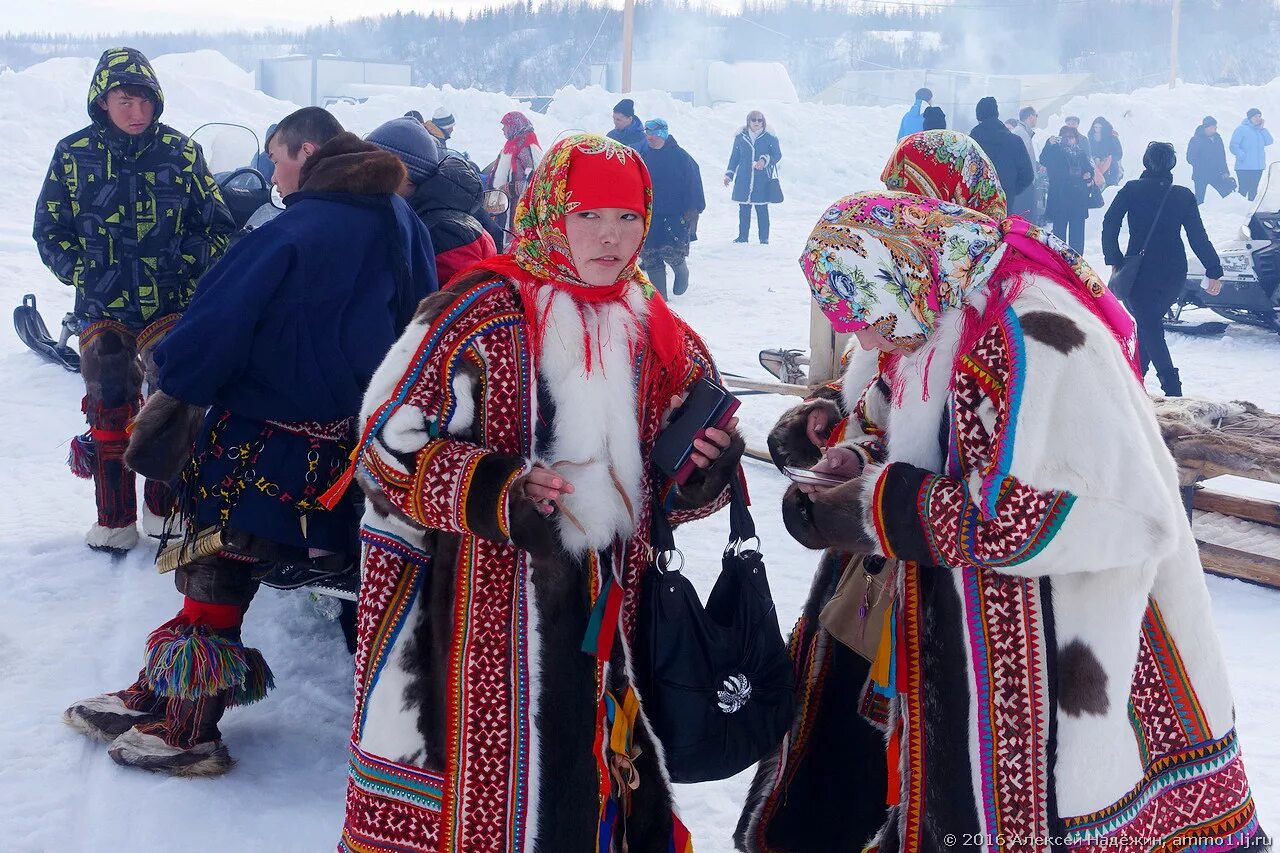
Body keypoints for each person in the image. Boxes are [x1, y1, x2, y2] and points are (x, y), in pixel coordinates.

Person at [742, 187, 1263, 852]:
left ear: (897, 269)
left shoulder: (1025, 332)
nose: (864, 339)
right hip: (989, 644)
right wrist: (859, 457)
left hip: (1069, 647)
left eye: (864, 314)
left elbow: (1038, 516)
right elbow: (925, 426)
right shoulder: (948, 304)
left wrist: (877, 504)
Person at [339, 133, 745, 853]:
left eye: (628, 219)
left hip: (611, 619)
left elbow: (675, 491)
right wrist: (499, 490)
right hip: (476, 616)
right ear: (551, 212)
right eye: (590, 215)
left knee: (591, 798)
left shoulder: (655, 327)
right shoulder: (477, 310)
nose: (611, 238)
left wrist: (703, 470)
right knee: (490, 811)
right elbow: (382, 443)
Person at [61, 106, 439, 776]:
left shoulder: (295, 227)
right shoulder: (401, 221)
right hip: (347, 442)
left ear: (310, 150)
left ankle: (189, 726)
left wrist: (171, 372)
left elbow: (211, 328)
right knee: (226, 564)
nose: (273, 173)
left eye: (278, 157)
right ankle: (163, 690)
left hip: (262, 439)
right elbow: (419, 320)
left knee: (214, 563)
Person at [33, 47, 234, 553]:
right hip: (103, 311)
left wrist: (186, 272)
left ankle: (163, 514)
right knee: (108, 410)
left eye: (145, 100)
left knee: (171, 408)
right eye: (126, 100)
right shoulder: (71, 153)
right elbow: (49, 229)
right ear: (103, 101)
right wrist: (81, 271)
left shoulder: (182, 152)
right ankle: (115, 522)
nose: (138, 112)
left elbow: (217, 227)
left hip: (170, 309)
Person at [1103, 142, 1223, 396]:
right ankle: (1134, 381)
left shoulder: (1132, 190)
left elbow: (1109, 223)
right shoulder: (1183, 195)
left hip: (1139, 270)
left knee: (1149, 325)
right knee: (1149, 323)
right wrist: (1213, 268)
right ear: (1172, 165)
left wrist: (1114, 258)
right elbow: (1197, 237)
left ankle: (1173, 390)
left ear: (1147, 163)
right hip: (1173, 272)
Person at [368, 116, 497, 285]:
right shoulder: (422, 214)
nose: (366, 179)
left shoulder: (442, 232)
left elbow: (458, 306)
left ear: (404, 175)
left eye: (373, 170)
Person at [639, 117, 705, 298]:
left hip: (675, 215)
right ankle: (660, 298)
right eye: (647, 134)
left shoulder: (681, 157)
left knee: (671, 252)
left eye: (652, 134)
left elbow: (694, 184)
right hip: (651, 214)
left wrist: (694, 210)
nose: (648, 137)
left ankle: (682, 271)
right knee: (651, 256)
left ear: (662, 134)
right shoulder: (645, 156)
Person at [724, 109, 783, 244]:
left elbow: (777, 155)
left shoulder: (769, 137)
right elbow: (734, 157)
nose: (757, 122)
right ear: (748, 121)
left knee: (762, 209)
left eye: (759, 120)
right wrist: (729, 175)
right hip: (744, 178)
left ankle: (764, 239)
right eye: (754, 120)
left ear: (763, 121)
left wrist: (764, 160)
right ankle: (742, 237)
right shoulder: (740, 137)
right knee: (744, 209)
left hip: (762, 179)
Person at [969, 96, 1034, 207]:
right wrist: (1010, 190)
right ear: (996, 114)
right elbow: (1027, 175)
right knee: (1001, 225)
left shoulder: (971, 142)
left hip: (974, 203)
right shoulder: (1015, 141)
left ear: (978, 117)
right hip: (1004, 202)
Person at [1040, 124, 1094, 252]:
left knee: (1078, 236)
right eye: (1065, 137)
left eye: (1071, 137)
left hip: (1078, 199)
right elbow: (1043, 160)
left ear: (1076, 139)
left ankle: (1078, 264)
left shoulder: (1080, 153)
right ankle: (1061, 262)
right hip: (1060, 198)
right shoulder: (1055, 152)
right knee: (1059, 236)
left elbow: (1089, 169)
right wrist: (1049, 144)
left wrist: (1088, 175)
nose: (1068, 140)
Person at [493, 110, 543, 239]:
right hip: (505, 206)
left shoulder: (526, 148)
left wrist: (508, 189)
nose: (503, 129)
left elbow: (535, 182)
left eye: (505, 125)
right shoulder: (512, 145)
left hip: (518, 209)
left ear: (514, 126)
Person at [1187, 116, 1236, 204]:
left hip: (1217, 174)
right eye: (1214, 126)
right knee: (1199, 200)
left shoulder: (1218, 138)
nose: (1216, 128)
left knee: (1228, 195)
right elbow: (1190, 158)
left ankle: (1229, 214)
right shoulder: (1196, 139)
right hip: (1200, 175)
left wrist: (1225, 171)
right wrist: (1203, 165)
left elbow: (1222, 156)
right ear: (1207, 127)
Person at [1229, 107, 1273, 201]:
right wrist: (1242, 156)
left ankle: (1250, 212)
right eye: (1255, 116)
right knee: (1243, 190)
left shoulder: (1260, 131)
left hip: (1257, 167)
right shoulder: (1241, 129)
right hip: (1244, 167)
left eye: (1259, 116)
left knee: (1253, 191)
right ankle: (1239, 210)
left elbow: (1269, 141)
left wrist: (1262, 129)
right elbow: (1233, 145)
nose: (1258, 118)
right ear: (1249, 118)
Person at [1012, 105, 1042, 220]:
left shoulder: (1023, 132)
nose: (1036, 119)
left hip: (1024, 182)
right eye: (1036, 116)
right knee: (1025, 216)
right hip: (1024, 184)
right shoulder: (1021, 133)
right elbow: (1022, 159)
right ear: (1030, 117)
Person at [1089, 116, 1124, 187]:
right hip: (1096, 167)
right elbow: (1089, 151)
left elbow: (1118, 152)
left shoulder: (1112, 137)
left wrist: (1108, 158)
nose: (1097, 129)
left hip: (1111, 167)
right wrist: (1095, 158)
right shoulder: (1091, 136)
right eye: (1095, 127)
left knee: (1110, 187)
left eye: (1099, 128)